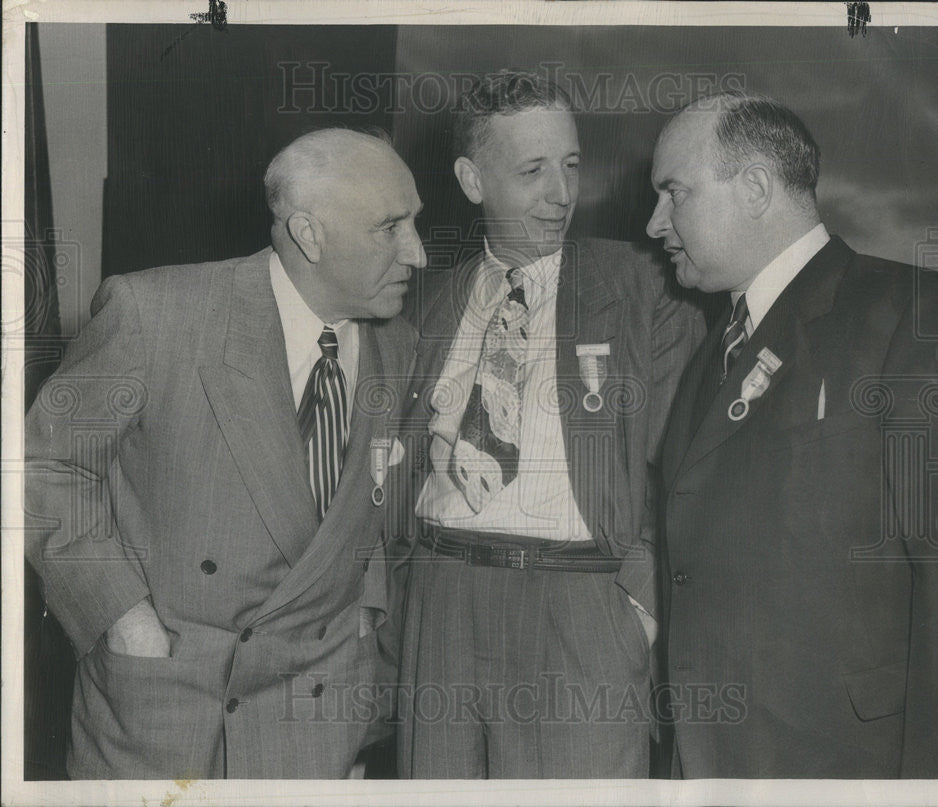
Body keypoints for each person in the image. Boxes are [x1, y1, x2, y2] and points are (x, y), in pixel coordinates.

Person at [23, 128, 426, 778]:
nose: (419, 252)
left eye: (416, 222)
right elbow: (42, 466)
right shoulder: (157, 313)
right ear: (309, 234)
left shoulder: (397, 345)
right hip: (169, 709)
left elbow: (369, 508)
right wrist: (122, 614)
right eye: (392, 227)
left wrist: (362, 622)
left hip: (317, 714)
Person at [647, 93, 938, 778]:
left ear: (757, 186)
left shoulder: (914, 314)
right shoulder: (710, 356)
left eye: (673, 193)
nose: (655, 223)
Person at [395, 71, 706, 778]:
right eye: (533, 171)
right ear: (473, 180)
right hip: (440, 598)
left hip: (581, 604)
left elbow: (686, 465)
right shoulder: (423, 304)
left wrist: (639, 609)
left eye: (570, 166)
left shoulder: (641, 287)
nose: (562, 194)